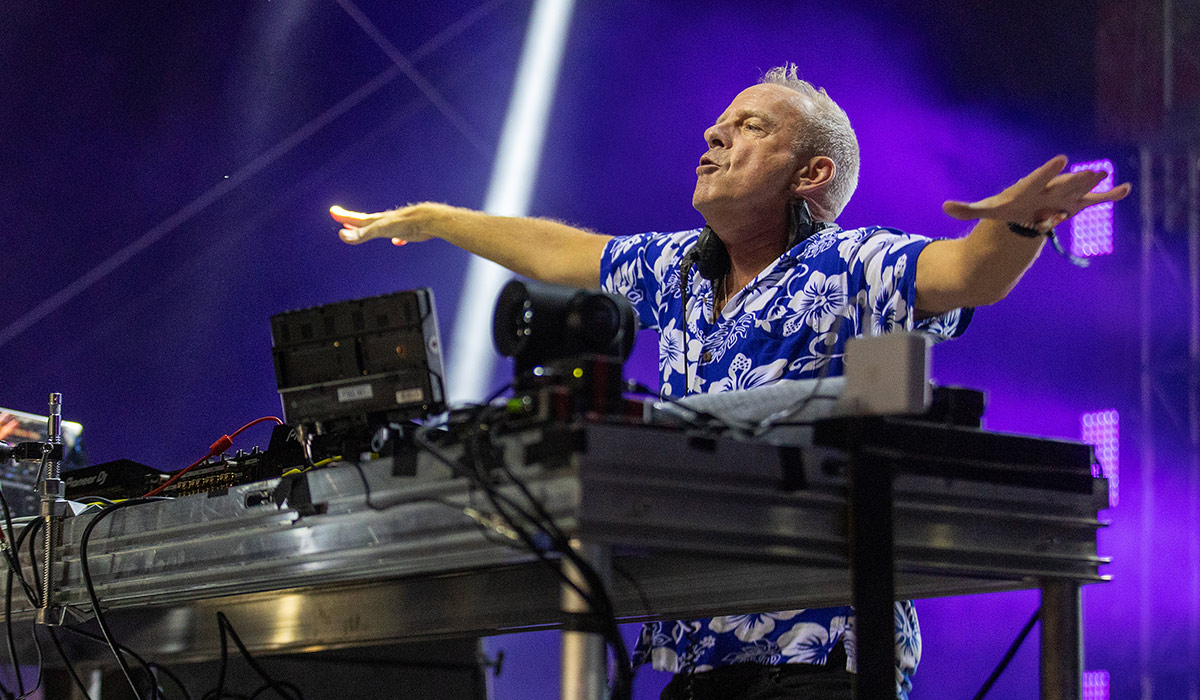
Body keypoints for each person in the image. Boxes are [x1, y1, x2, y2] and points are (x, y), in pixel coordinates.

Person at [331, 64, 1130, 700]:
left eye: (750, 126)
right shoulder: (674, 267)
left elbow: (965, 274)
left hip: (822, 650)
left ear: (810, 172)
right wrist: (435, 218)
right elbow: (553, 250)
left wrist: (1020, 224)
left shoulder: (850, 261)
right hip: (695, 648)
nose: (714, 134)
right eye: (719, 124)